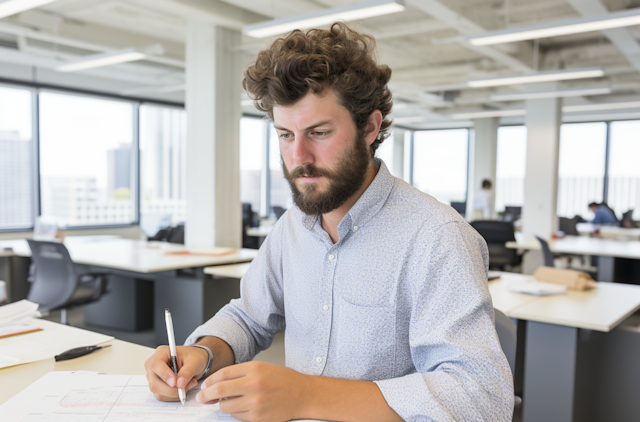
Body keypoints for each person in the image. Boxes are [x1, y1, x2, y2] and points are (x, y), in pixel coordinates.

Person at [144, 23, 513, 422]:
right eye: (285, 135)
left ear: (370, 128)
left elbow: (479, 398)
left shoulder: (437, 237)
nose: (299, 155)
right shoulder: (293, 226)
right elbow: (249, 317)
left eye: (318, 132)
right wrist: (204, 352)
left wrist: (306, 396)